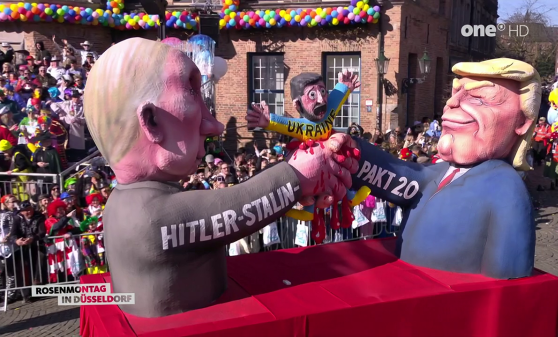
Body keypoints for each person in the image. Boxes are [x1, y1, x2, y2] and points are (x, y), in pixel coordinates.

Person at [83, 38, 358, 317]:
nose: (213, 126)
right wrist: (297, 176)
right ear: (151, 121)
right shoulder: (145, 215)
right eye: (191, 94)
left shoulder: (134, 201)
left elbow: (230, 201)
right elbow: (236, 207)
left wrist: (291, 177)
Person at [350, 58, 540, 279]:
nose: (452, 103)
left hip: (450, 305)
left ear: (522, 122)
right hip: (406, 294)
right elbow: (400, 177)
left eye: (479, 99)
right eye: (455, 93)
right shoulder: (441, 172)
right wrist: (351, 153)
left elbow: (507, 283)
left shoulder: (505, 189)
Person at [12, 200, 47, 288]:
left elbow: (42, 232)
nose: (28, 212)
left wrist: (32, 238)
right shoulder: (17, 218)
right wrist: (17, 240)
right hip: (23, 246)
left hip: (37, 244)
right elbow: (13, 233)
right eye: (25, 210)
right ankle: (26, 293)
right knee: (23, 267)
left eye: (30, 209)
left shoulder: (39, 216)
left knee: (40, 260)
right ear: (21, 212)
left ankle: (38, 284)